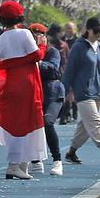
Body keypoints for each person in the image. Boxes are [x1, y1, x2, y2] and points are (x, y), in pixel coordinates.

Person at [0, 0, 46, 179]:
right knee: (25, 122)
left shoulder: (1, 39)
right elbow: (37, 55)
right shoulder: (24, 33)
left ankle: (22, 164)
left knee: (16, 121)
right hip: (27, 83)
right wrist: (42, 44)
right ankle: (14, 165)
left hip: (11, 84)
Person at [60, 19, 100, 166]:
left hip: (98, 92)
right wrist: (63, 91)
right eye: (96, 31)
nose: (99, 34)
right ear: (88, 30)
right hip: (83, 92)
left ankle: (71, 152)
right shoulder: (78, 47)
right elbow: (70, 71)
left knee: (85, 126)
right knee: (95, 121)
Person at [30, 23, 65, 174]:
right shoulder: (27, 52)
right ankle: (35, 160)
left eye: (39, 34)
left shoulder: (52, 52)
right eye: (33, 34)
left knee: (47, 122)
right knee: (31, 126)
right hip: (34, 93)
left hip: (53, 92)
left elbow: (53, 68)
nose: (36, 37)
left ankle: (57, 161)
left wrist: (39, 62)